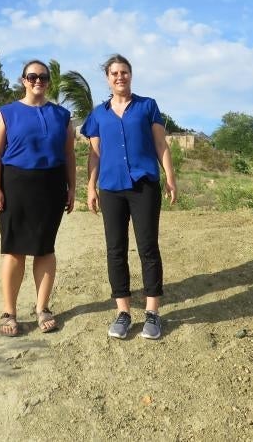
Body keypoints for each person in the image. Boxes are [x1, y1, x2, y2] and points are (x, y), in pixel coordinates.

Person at [81, 54, 177, 340]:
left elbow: (161, 143)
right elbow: (94, 154)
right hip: (111, 187)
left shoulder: (147, 106)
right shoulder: (98, 114)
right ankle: (123, 312)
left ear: (130, 75)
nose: (120, 77)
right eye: (114, 73)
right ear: (107, 78)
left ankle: (152, 313)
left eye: (124, 72)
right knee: (116, 249)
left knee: (148, 247)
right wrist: (90, 186)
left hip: (144, 184)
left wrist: (170, 176)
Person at [0, 60, 75, 336]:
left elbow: (69, 155)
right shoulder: (7, 113)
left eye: (43, 77)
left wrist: (72, 188)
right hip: (15, 185)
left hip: (51, 185)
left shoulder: (62, 115)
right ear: (23, 80)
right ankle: (9, 311)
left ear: (49, 81)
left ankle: (42, 308)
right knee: (14, 249)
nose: (38, 80)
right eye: (32, 76)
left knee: (45, 248)